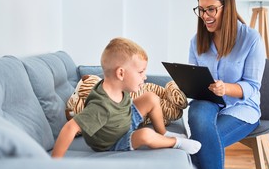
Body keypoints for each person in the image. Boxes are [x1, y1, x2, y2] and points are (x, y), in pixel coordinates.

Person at [52, 37, 201, 158]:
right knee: (145, 135)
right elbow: (70, 127)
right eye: (141, 72)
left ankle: (163, 132)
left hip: (123, 120)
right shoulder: (100, 106)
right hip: (114, 141)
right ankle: (174, 142)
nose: (145, 77)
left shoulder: (117, 86)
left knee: (151, 97)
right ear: (121, 74)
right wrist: (55, 163)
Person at [188, 0, 266, 169]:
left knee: (200, 145)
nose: (205, 16)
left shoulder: (250, 39)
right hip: (208, 102)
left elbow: (252, 85)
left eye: (211, 9)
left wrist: (226, 88)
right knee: (198, 113)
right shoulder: (196, 41)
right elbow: (195, 78)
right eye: (201, 9)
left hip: (242, 108)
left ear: (227, 7)